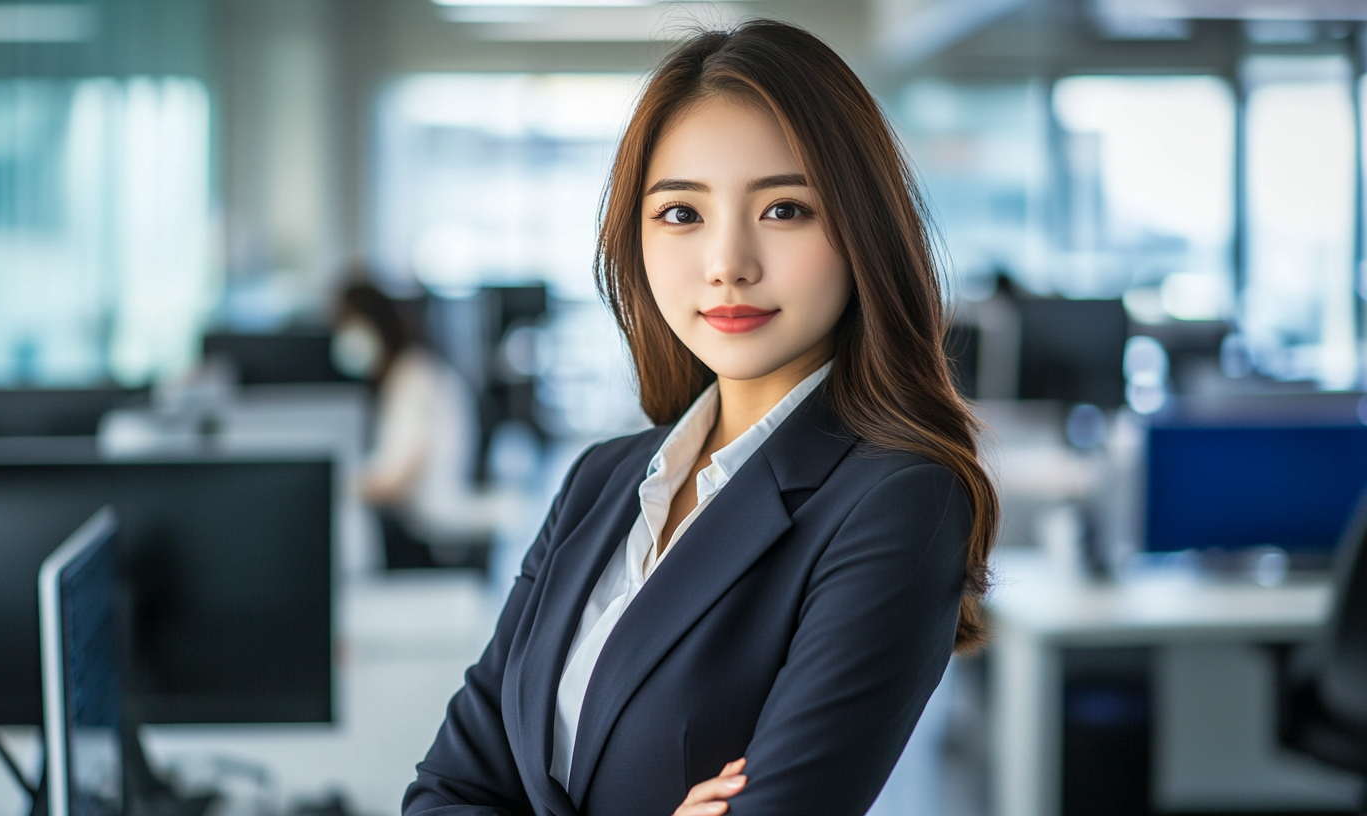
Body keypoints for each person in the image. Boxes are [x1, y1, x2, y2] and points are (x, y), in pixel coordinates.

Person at [403, 19, 998, 816]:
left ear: (862, 231)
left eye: (785, 209)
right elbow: (446, 790)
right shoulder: (601, 481)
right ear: (636, 241)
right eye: (681, 213)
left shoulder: (896, 502)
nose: (727, 263)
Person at [333, 281, 490, 567]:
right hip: (421, 528)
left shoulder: (413, 379)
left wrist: (327, 482)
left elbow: (397, 480)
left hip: (427, 534)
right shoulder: (410, 374)